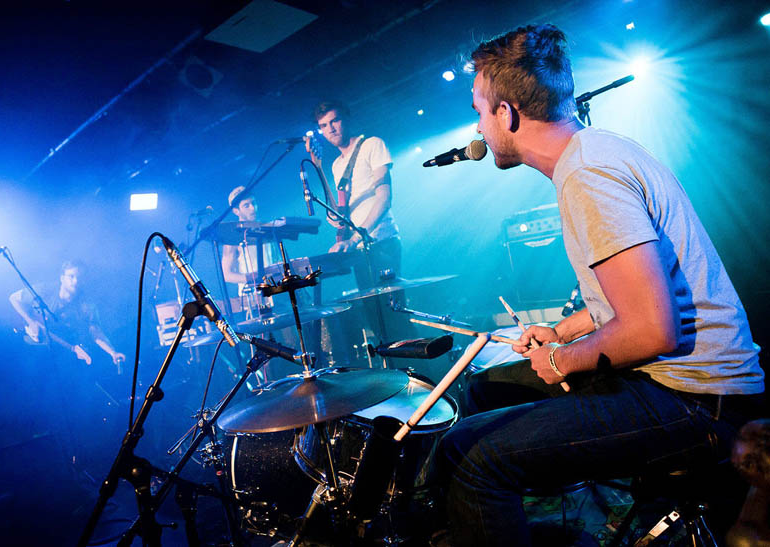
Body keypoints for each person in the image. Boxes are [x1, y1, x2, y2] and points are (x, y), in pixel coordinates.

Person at [436, 24, 765, 545]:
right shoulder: (591, 153)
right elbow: (629, 297)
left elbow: (654, 329)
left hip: (700, 400)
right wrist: (564, 331)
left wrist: (563, 360)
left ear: (507, 114)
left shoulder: (588, 176)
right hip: (676, 383)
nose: (477, 126)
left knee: (481, 466)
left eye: (479, 110)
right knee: (479, 400)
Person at [311, 100, 401, 287]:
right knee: (370, 309)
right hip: (358, 249)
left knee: (391, 308)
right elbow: (338, 214)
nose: (331, 129)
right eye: (323, 126)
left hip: (381, 242)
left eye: (334, 121)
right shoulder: (336, 165)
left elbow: (384, 199)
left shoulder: (372, 144)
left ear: (346, 119)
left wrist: (354, 239)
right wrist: (318, 169)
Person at [9, 259, 125, 370]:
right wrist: (30, 321)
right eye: (71, 276)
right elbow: (14, 298)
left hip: (51, 352)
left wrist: (112, 352)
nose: (75, 281)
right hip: (24, 344)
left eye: (80, 278)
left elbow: (95, 331)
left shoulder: (86, 305)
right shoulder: (45, 289)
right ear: (62, 278)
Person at [221, 185, 278, 306]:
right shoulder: (232, 239)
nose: (253, 208)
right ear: (236, 211)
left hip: (275, 291)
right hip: (252, 299)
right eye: (246, 205)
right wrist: (253, 278)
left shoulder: (267, 229)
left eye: (254, 203)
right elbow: (226, 274)